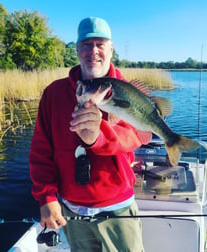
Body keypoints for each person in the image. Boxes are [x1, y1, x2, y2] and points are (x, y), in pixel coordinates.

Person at [29, 16, 151, 252]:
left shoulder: (126, 90)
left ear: (111, 50)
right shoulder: (53, 94)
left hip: (118, 206)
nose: (93, 51)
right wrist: (46, 197)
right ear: (77, 49)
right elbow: (40, 152)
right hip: (72, 208)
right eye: (86, 44)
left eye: (100, 44)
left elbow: (135, 137)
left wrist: (98, 136)